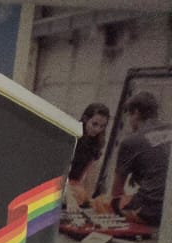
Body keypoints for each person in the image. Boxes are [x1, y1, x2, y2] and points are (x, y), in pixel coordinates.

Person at [93, 91, 170, 231]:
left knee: (101, 202)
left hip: (153, 210)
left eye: (129, 115)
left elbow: (116, 191)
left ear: (136, 112)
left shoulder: (131, 141)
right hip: (169, 208)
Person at [66, 102, 111, 208]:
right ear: (86, 119)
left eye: (102, 126)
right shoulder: (73, 137)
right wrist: (69, 197)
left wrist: (88, 200)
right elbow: (60, 172)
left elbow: (90, 177)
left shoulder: (96, 143)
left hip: (75, 186)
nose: (97, 129)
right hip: (61, 184)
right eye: (94, 124)